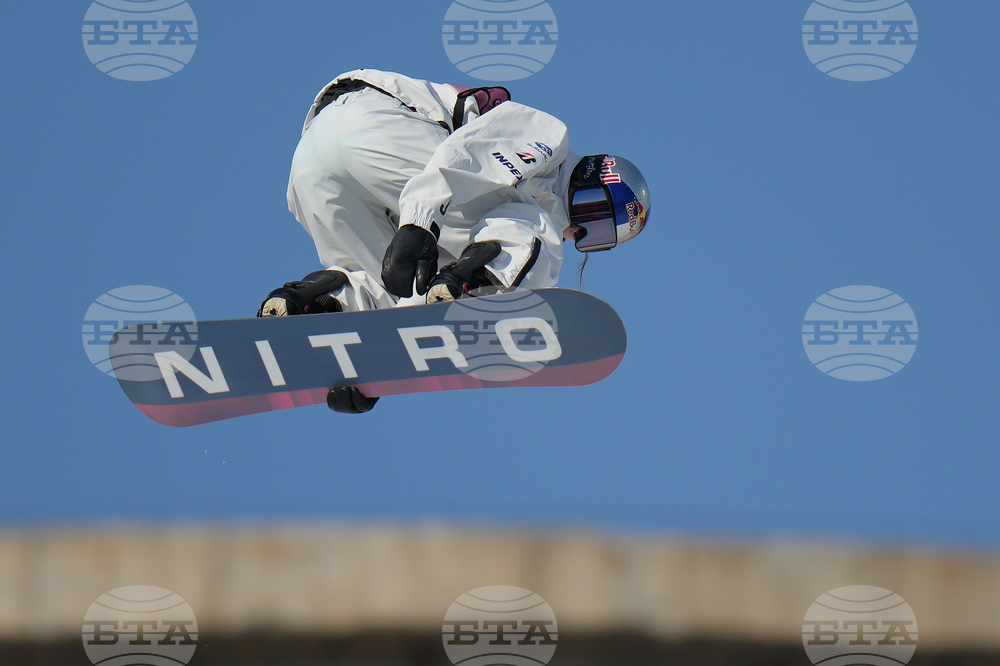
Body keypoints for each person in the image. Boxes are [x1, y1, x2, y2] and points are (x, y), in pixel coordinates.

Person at [258, 69, 650, 413]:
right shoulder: (550, 137)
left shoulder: (482, 216)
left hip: (310, 164)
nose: (578, 231)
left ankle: (314, 309)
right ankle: (480, 292)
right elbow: (464, 155)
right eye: (593, 213)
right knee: (534, 228)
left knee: (397, 286)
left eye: (596, 239)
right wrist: (419, 223)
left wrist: (364, 371)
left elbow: (405, 319)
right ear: (588, 174)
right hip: (372, 121)